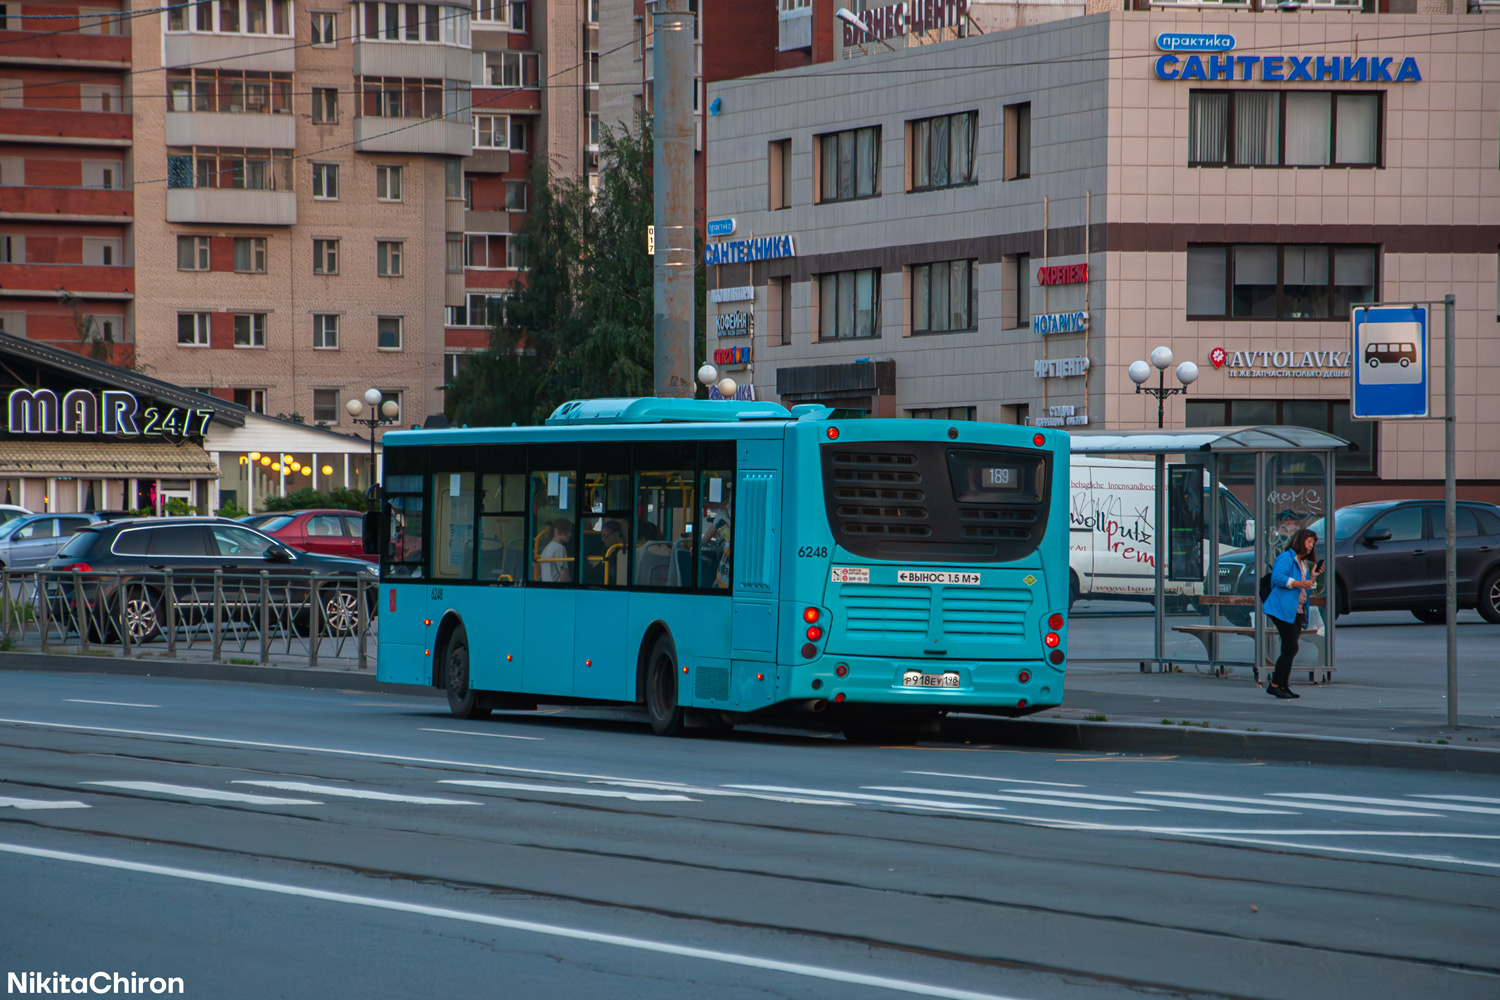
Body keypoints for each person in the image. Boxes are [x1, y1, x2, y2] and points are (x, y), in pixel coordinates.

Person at [1262, 526, 1321, 699]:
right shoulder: (1287, 557)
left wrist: (1313, 578)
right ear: (1300, 540)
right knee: (1291, 647)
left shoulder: (1302, 563)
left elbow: (1306, 591)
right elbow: (1278, 579)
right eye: (1309, 541)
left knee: (1290, 648)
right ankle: (1274, 685)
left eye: (1313, 543)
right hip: (1282, 609)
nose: (1311, 546)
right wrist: (1299, 583)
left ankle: (1282, 685)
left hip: (1297, 610)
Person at [539, 517, 573, 583]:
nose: (570, 535)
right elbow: (563, 572)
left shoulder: (547, 548)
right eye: (567, 531)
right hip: (557, 587)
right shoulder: (560, 548)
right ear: (558, 531)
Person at [599, 519, 626, 585]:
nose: (602, 539)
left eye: (606, 536)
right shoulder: (606, 549)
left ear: (616, 535)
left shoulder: (622, 552)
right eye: (601, 536)